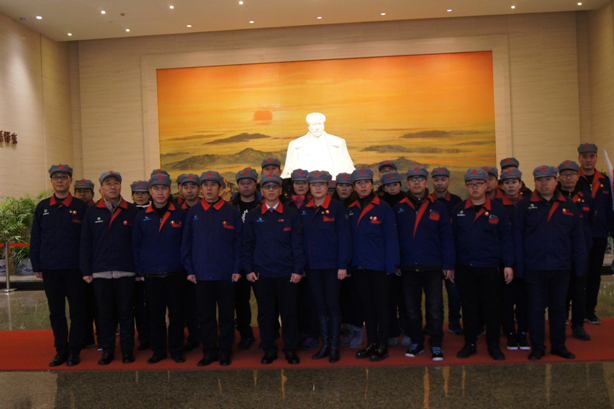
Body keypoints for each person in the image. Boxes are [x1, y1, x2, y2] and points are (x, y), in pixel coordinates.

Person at [515, 165, 587, 360]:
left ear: (556, 181)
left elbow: (577, 238)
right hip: (534, 267)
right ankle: (537, 347)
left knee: (558, 309)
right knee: (536, 309)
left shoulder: (569, 205)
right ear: (534, 182)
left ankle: (558, 345)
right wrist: (519, 266)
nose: (544, 183)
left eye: (548, 179)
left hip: (561, 267)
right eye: (539, 180)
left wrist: (580, 266)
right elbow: (517, 238)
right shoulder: (524, 205)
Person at [242, 172, 305, 365]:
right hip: (262, 273)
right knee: (265, 314)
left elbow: (298, 244)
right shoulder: (254, 215)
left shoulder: (291, 214)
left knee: (289, 313)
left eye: (274, 187)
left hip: (287, 273)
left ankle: (290, 349)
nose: (271, 190)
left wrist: (298, 269)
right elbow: (247, 244)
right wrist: (248, 269)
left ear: (280, 190)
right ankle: (269, 349)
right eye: (267, 187)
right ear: (261, 191)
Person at [394, 166, 455, 362]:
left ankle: (436, 344)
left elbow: (447, 238)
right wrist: (395, 263)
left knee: (435, 308)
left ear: (426, 183)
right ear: (408, 183)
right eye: (413, 179)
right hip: (408, 267)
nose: (417, 182)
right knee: (411, 308)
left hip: (432, 266)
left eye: (420, 179)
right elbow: (393, 239)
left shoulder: (438, 207)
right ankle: (417, 342)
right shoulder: (399, 207)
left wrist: (448, 264)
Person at [182, 171, 242, 367]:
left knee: (226, 316)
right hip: (201, 274)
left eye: (213, 185)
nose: (208, 188)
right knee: (205, 316)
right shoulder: (194, 212)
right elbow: (186, 244)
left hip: (226, 274)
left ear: (221, 188)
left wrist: (237, 268)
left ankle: (225, 351)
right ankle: (209, 351)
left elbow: (238, 243)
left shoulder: (231, 211)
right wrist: (190, 269)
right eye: (205, 185)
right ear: (201, 189)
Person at [452, 168, 512, 361]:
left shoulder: (497, 209)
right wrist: (450, 265)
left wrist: (508, 264)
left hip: (490, 267)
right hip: (465, 267)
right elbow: (452, 240)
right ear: (466, 186)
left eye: (478, 184)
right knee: (469, 307)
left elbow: (506, 239)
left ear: (486, 185)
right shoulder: (459, 210)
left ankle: (493, 345)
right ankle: (470, 343)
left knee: (492, 307)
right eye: (471, 184)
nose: (475, 187)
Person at [80, 170, 139, 365]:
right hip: (101, 272)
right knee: (104, 314)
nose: (112, 187)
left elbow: (138, 243)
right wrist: (86, 270)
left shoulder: (132, 211)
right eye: (108, 183)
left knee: (126, 313)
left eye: (116, 183)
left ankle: (128, 349)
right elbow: (85, 243)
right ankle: (107, 349)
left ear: (121, 187)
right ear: (101, 189)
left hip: (126, 271)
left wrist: (138, 269)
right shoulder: (92, 212)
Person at [31, 164, 87, 367]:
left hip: (74, 269)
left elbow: (86, 240)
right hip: (50, 268)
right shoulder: (43, 207)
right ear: (52, 181)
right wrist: (36, 264)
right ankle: (61, 350)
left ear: (70, 180)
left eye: (64, 177)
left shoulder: (81, 207)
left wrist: (86, 266)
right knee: (56, 312)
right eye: (56, 177)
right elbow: (36, 238)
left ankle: (74, 351)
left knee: (77, 311)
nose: (60, 180)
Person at [132, 173, 186, 364]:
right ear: (150, 192)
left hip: (175, 273)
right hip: (151, 274)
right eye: (156, 189)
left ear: (169, 191)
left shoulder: (180, 214)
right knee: (155, 316)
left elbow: (186, 243)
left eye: (164, 188)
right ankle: (159, 350)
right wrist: (139, 270)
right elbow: (136, 245)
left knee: (177, 315)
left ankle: (177, 349)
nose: (160, 192)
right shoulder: (141, 217)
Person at [347, 168, 400, 362]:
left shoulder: (383, 207)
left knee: (381, 306)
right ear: (354, 187)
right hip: (359, 266)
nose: (363, 186)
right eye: (359, 183)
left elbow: (391, 238)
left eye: (366, 182)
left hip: (380, 267)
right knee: (367, 307)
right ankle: (371, 343)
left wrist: (392, 266)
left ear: (372, 185)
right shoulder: (351, 209)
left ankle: (382, 345)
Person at [300, 170, 352, 363]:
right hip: (312, 266)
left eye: (321, 184)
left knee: (332, 303)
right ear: (310, 188)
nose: (318, 188)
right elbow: (300, 239)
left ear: (327, 186)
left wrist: (343, 265)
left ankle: (334, 347)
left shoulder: (337, 207)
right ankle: (325, 344)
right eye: (314, 185)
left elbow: (345, 238)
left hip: (333, 266)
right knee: (319, 305)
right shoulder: (305, 209)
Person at [577, 143, 614, 325]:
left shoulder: (606, 181)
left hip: (599, 234)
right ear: (579, 158)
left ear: (596, 158)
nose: (588, 160)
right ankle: (577, 311)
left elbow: (610, 209)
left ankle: (590, 311)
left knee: (594, 275)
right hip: (579, 236)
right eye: (585, 156)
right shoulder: (574, 180)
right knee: (579, 274)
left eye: (591, 156)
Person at [557, 160, 594, 341]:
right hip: (560, 251)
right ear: (559, 178)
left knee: (579, 290)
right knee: (560, 290)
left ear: (577, 176)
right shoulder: (554, 197)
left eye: (572, 174)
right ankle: (560, 321)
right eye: (565, 175)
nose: (568, 178)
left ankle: (578, 325)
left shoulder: (586, 196)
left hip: (580, 251)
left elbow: (591, 222)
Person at [229, 168, 262, 350]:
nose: (246, 186)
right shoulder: (230, 206)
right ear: (238, 186)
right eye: (243, 183)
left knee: (264, 301)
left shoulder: (263, 204)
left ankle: (269, 334)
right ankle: (246, 334)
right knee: (240, 301)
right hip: (237, 261)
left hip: (259, 260)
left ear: (255, 185)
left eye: (249, 182)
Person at [496, 168, 529, 351]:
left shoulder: (528, 205)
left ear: (520, 184)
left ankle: (523, 333)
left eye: (514, 182)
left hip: (526, 261)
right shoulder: (497, 206)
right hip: (504, 261)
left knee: (524, 300)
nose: (510, 186)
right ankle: (509, 333)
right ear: (501, 185)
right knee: (506, 300)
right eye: (507, 183)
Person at [428, 167, 463, 335]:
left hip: (452, 253)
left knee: (454, 293)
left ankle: (454, 322)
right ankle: (431, 325)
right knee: (432, 296)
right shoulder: (427, 201)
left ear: (448, 181)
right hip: (433, 254)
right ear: (431, 181)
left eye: (443, 179)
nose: (440, 183)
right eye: (436, 180)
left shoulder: (457, 202)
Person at [288, 169, 319, 351]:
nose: (300, 186)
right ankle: (297, 333)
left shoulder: (315, 203)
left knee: (312, 299)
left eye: (303, 182)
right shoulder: (286, 204)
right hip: (291, 259)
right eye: (297, 182)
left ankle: (313, 334)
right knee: (295, 300)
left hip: (312, 258)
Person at [333, 172, 364, 349]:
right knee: (342, 297)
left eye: (347, 185)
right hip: (336, 260)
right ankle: (347, 329)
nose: (344, 189)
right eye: (341, 185)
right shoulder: (332, 205)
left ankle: (358, 329)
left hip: (355, 259)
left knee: (355, 297)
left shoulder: (358, 205)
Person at [379, 171, 410, 348]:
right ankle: (392, 331)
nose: (392, 188)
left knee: (405, 299)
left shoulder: (407, 202)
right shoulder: (380, 204)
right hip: (386, 259)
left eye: (395, 185)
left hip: (405, 257)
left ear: (400, 185)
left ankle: (407, 330)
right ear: (383, 188)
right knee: (388, 299)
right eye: (388, 185)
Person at [281, 113, 355, 178]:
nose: (317, 127)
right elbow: (287, 171)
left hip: (331, 180)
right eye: (314, 124)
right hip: (305, 181)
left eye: (319, 124)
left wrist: (338, 172)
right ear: (309, 126)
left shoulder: (338, 142)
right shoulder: (295, 144)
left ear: (324, 125)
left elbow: (348, 166)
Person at [176, 173, 202, 353]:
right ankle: (192, 336)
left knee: (202, 303)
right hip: (180, 264)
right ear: (180, 189)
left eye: (193, 186)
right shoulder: (176, 211)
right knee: (186, 304)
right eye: (186, 187)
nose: (189, 190)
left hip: (201, 262)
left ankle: (205, 335)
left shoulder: (205, 208)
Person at [73, 178, 98, 349]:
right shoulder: (72, 211)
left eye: (86, 191)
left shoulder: (98, 210)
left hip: (98, 264)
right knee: (81, 303)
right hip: (78, 265)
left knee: (99, 304)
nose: (82, 194)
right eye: (79, 191)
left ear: (93, 194)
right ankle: (86, 337)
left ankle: (104, 336)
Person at [129, 180, 151, 352]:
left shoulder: (154, 210)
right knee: (139, 306)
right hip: (134, 266)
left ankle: (156, 335)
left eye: (143, 193)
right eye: (137, 193)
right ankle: (143, 336)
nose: (140, 196)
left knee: (153, 304)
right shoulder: (129, 212)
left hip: (153, 266)